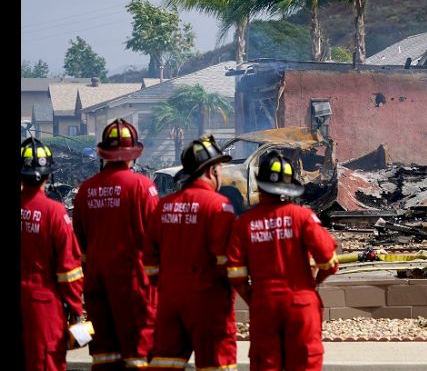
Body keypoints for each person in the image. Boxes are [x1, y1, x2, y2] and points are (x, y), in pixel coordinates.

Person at [226, 150, 339, 371]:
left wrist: (255, 299)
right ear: (289, 188)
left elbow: (236, 275)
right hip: (302, 304)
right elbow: (329, 261)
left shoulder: (244, 224)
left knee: (266, 365)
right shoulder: (303, 217)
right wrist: (313, 283)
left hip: (264, 306)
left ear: (260, 185)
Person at [143, 134, 238, 370]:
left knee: (165, 363)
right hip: (208, 303)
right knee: (216, 365)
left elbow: (150, 262)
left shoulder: (164, 206)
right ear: (211, 170)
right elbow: (227, 264)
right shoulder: (219, 207)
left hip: (170, 301)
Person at [72, 118, 159, 369]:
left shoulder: (86, 190)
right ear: (133, 154)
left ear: (104, 154)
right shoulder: (142, 187)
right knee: (139, 354)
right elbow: (156, 237)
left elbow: (80, 244)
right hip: (134, 284)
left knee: (105, 356)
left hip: (96, 284)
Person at [21, 137, 85, 371]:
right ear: (48, 175)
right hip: (43, 308)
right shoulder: (54, 212)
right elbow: (70, 270)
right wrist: (76, 312)